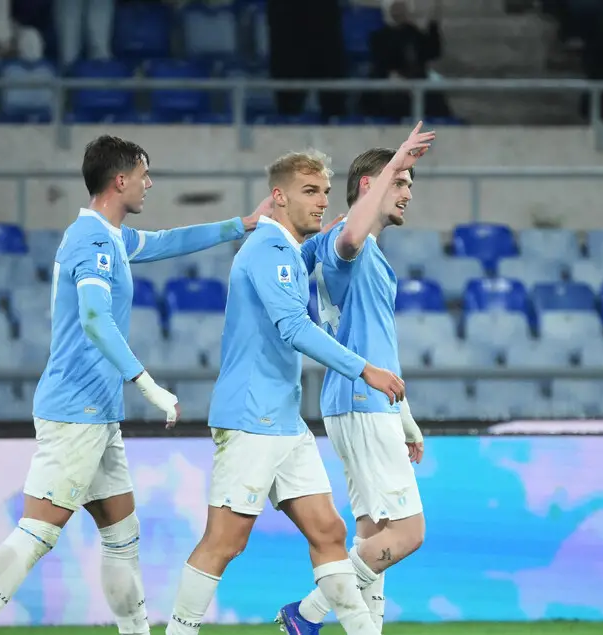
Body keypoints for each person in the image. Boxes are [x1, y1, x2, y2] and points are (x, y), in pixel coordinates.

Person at [0, 135, 263, 635]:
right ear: (120, 181)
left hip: (97, 413)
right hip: (75, 410)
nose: (149, 183)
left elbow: (168, 242)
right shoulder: (92, 240)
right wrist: (147, 384)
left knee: (122, 535)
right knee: (37, 532)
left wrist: (240, 224)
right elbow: (94, 319)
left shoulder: (111, 236)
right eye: (143, 175)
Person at [163, 143, 429, 635]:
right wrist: (364, 370)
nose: (322, 201)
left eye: (325, 191)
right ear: (280, 197)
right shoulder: (271, 250)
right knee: (225, 542)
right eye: (310, 191)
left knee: (330, 531)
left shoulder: (289, 249)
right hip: (252, 417)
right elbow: (294, 324)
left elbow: (329, 243)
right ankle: (184, 630)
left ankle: (317, 622)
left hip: (286, 419)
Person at [277, 124, 435, 635]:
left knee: (374, 534)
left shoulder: (361, 248)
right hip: (362, 403)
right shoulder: (350, 240)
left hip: (358, 402)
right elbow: (348, 238)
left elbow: (378, 345)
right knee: (408, 533)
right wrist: (397, 158)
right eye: (400, 181)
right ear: (370, 185)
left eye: (408, 183)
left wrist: (405, 418)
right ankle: (307, 613)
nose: (407, 192)